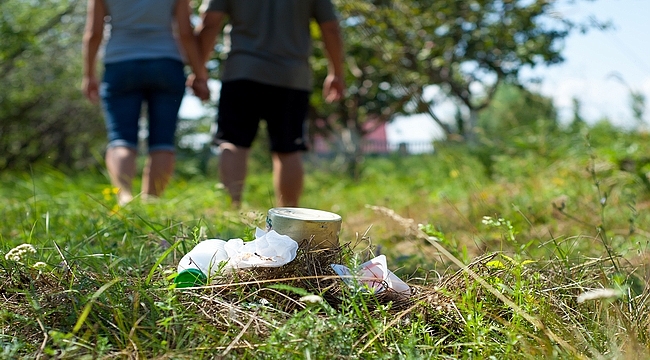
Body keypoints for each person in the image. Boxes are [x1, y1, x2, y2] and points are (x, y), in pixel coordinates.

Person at [193, 0, 345, 207]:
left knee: (234, 142)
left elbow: (210, 23)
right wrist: (336, 72)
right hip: (292, 76)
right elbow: (330, 28)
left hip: (242, 71)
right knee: (288, 148)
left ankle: (230, 210)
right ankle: (288, 218)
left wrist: (199, 70)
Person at [82, 0, 210, 205]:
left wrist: (89, 74)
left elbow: (93, 33)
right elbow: (186, 33)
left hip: (120, 63)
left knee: (121, 138)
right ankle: (152, 201)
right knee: (162, 140)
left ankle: (124, 196)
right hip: (166, 63)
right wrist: (199, 74)